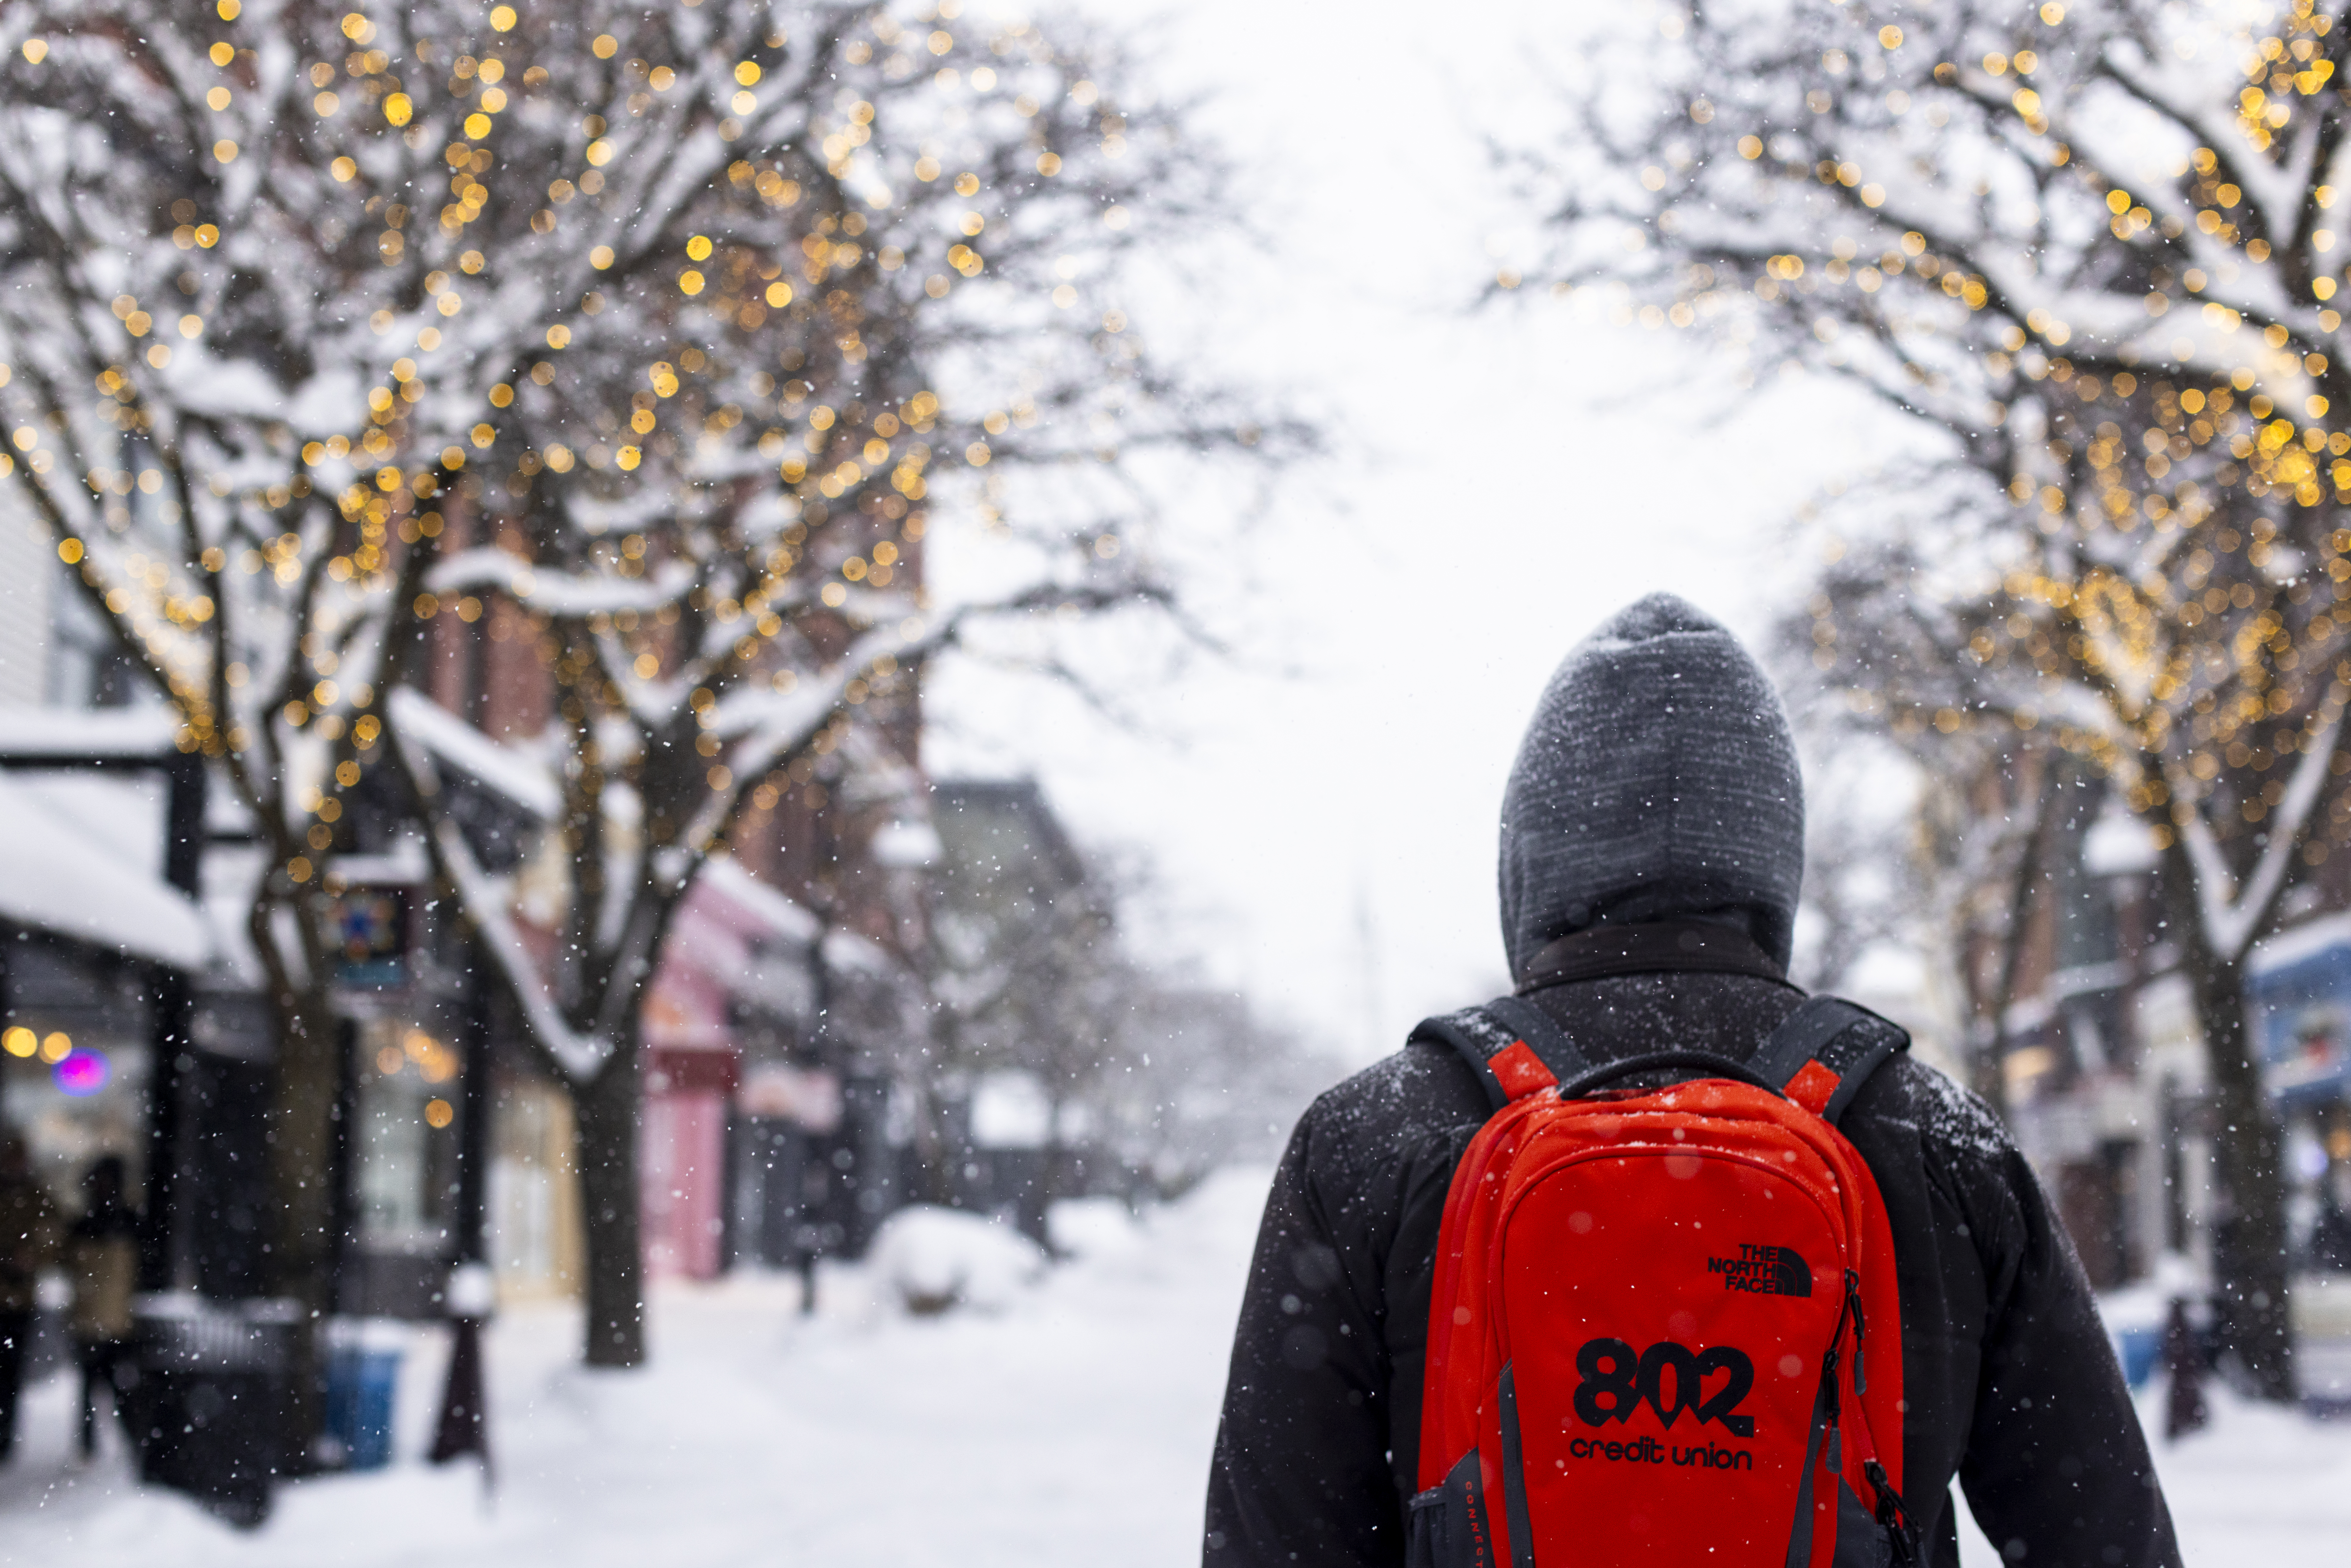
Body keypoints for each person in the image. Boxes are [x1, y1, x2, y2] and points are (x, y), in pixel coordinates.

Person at [1203, 594, 2180, 1567]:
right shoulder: (1934, 1140)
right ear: (1771, 864)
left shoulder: (1369, 1138)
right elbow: (2103, 1535)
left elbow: (1271, 1538)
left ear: (1526, 865)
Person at [63, 1155, 139, 1460]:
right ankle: (98, 1444)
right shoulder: (90, 1225)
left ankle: (118, 1441)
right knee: (97, 1385)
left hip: (113, 1318)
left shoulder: (123, 1224)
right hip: (95, 1317)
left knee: (113, 1386)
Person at [0, 1131, 62, 1463]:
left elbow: (53, 1239)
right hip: (12, 1297)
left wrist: (31, 1257)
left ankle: (5, 1435)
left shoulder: (36, 1198)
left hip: (19, 1301)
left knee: (10, 1372)